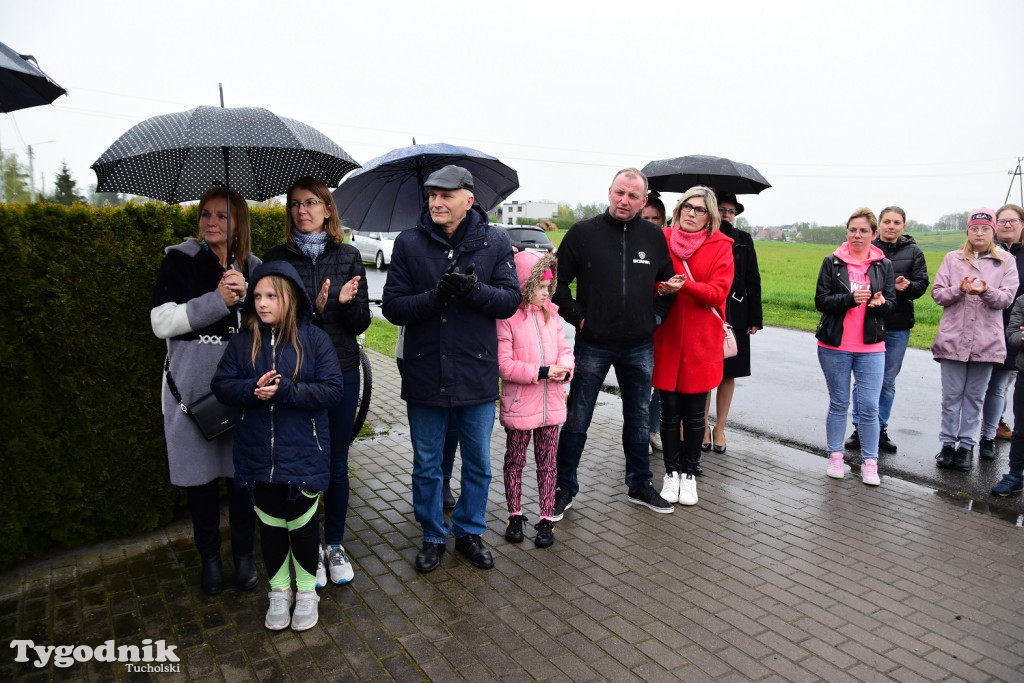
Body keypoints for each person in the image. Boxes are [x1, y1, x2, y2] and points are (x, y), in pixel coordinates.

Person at [382, 165, 522, 573]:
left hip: (476, 372)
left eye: (446, 195)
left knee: (477, 460)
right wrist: (436, 296)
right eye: (431, 196)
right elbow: (392, 306)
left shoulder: (494, 241)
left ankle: (469, 531)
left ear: (468, 199)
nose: (436, 202)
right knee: (427, 462)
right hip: (425, 371)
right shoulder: (409, 243)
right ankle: (431, 534)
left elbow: (510, 301)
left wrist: (473, 290)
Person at [212, 261, 344, 631]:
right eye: (257, 296)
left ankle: (306, 593)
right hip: (256, 454)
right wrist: (251, 389)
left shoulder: (314, 339)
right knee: (269, 527)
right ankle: (279, 590)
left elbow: (333, 390)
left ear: (291, 297)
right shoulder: (243, 340)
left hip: (303, 452)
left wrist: (286, 390)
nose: (262, 303)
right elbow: (221, 384)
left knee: (302, 526)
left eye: (271, 296)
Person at [150, 187, 259, 596]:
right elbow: (161, 323)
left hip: (240, 392)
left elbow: (268, 323)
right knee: (200, 485)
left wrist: (247, 298)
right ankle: (210, 561)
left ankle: (245, 559)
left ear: (237, 226)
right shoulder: (179, 260)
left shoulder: (252, 266)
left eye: (221, 216)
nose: (211, 222)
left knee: (243, 482)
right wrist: (214, 300)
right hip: (190, 397)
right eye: (205, 215)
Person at [551, 168, 678, 519]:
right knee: (577, 418)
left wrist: (654, 318)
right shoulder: (582, 233)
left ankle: (639, 485)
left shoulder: (653, 237)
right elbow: (556, 284)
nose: (625, 200)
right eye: (620, 193)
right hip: (593, 343)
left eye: (633, 196)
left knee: (638, 420)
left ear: (644, 201)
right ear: (609, 192)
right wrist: (579, 317)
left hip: (639, 345)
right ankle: (564, 487)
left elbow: (669, 284)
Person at [263, 177, 370, 589]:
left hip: (340, 369)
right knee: (298, 461)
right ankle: (303, 546)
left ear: (328, 209)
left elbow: (362, 322)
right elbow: (269, 318)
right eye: (294, 204)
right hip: (294, 374)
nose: (302, 210)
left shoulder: (348, 256)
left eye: (310, 203)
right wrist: (315, 312)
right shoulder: (277, 258)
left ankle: (335, 544)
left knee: (335, 461)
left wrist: (342, 308)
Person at [654, 187, 733, 506]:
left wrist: (687, 286)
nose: (690, 212)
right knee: (668, 412)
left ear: (710, 216)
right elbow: (649, 280)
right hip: (668, 337)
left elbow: (718, 293)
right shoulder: (660, 238)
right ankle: (670, 473)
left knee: (695, 415)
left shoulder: (721, 246)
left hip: (702, 340)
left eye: (699, 209)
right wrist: (662, 287)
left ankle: (690, 473)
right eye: (686, 206)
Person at [932, 207, 1019, 472]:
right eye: (974, 228)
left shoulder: (1005, 261)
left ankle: (967, 446)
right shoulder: (952, 258)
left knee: (974, 397)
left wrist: (985, 290)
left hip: (986, 341)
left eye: (984, 228)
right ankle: (947, 444)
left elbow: (1006, 299)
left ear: (993, 231)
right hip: (953, 338)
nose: (979, 233)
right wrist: (959, 289)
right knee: (951, 396)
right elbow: (938, 294)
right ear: (967, 231)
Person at [498, 251, 574, 547]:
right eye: (541, 287)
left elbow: (565, 350)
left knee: (548, 463)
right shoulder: (507, 319)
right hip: (520, 405)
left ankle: (546, 519)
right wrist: (542, 372)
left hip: (551, 406)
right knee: (514, 461)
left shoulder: (552, 315)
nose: (547, 292)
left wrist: (565, 370)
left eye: (549, 287)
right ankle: (514, 515)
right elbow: (503, 364)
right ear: (525, 284)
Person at [815, 208, 896, 485]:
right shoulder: (832, 262)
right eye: (852, 230)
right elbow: (821, 301)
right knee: (839, 403)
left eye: (863, 231)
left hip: (871, 347)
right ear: (847, 232)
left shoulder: (883, 265)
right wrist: (849, 299)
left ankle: (870, 463)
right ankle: (835, 457)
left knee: (870, 407)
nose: (857, 235)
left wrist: (881, 304)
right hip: (834, 345)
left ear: (874, 234)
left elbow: (893, 304)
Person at [845, 206, 929, 453]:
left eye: (897, 222)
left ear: (903, 226)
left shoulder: (914, 252)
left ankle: (879, 428)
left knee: (887, 381)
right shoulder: (868, 248)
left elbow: (922, 284)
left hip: (897, 324)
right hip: (868, 322)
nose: (891, 226)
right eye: (887, 221)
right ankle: (860, 428)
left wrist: (908, 286)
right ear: (879, 224)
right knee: (863, 380)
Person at [703, 193, 762, 455]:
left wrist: (755, 317)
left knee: (729, 372)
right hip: (708, 310)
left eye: (731, 211)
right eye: (722, 209)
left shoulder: (744, 240)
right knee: (705, 373)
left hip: (737, 312)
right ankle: (702, 425)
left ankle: (720, 428)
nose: (726, 214)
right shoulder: (704, 236)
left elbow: (753, 278)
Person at [977, 204, 1024, 459]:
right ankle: (964, 439)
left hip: (1014, 329)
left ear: (1022, 224)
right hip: (986, 326)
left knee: (999, 386)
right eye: (1002, 221)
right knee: (976, 388)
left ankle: (990, 433)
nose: (1007, 225)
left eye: (1013, 220)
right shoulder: (986, 253)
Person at [992, 279, 1024, 496]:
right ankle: (1015, 475)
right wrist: (1021, 337)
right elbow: (1011, 334)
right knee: (1021, 430)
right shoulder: (1022, 302)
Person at [641, 194, 668, 452]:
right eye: (645, 218)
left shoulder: (667, 244)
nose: (650, 222)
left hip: (664, 321)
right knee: (641, 380)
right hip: (639, 322)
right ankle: (639, 431)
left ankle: (653, 427)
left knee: (661, 380)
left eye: (655, 218)